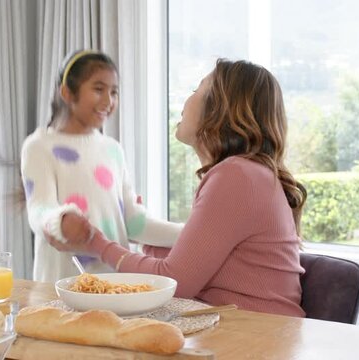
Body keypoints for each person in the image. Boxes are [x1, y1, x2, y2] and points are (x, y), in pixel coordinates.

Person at [47, 58, 308, 317]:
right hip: (251, 328)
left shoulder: (236, 176)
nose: (186, 101)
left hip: (259, 338)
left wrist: (96, 243)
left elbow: (176, 282)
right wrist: (139, 232)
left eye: (197, 90)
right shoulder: (247, 174)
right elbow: (197, 264)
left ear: (220, 108)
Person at [21, 50, 183, 283]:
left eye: (114, 92)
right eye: (98, 89)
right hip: (63, 288)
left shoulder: (112, 149)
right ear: (67, 93)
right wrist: (61, 221)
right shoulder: (39, 146)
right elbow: (39, 209)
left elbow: (134, 223)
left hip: (116, 286)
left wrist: (189, 234)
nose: (109, 101)